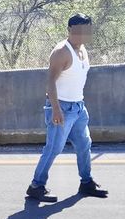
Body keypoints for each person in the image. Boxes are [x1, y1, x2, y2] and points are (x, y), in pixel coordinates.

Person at [26, 13, 108, 202]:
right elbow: (50, 82)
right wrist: (56, 109)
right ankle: (36, 186)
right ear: (71, 30)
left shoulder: (83, 49)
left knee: (84, 144)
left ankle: (86, 182)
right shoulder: (61, 52)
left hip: (79, 107)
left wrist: (78, 105)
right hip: (62, 107)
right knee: (54, 148)